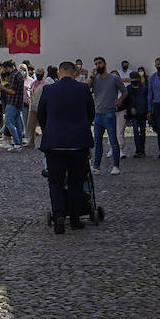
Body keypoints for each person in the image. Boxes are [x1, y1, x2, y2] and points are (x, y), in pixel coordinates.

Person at [37, 61, 95, 234]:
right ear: (74, 73)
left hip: (54, 144)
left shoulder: (49, 90)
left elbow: (41, 114)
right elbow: (91, 113)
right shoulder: (83, 89)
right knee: (76, 182)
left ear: (60, 74)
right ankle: (75, 218)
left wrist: (50, 130)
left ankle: (59, 215)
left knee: (55, 182)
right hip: (78, 143)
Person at [90, 57, 123, 176]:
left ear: (104, 64)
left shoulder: (114, 79)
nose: (98, 65)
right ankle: (96, 166)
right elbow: (86, 88)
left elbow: (125, 91)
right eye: (96, 64)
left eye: (99, 63)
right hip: (98, 113)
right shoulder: (95, 79)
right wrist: (91, 77)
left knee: (113, 141)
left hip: (109, 113)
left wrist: (120, 100)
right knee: (97, 141)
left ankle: (115, 166)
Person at [118, 68, 150, 158]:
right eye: (133, 79)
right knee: (135, 132)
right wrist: (131, 108)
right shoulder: (128, 89)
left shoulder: (144, 88)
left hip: (143, 113)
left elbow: (147, 100)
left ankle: (142, 150)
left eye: (136, 79)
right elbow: (127, 101)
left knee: (143, 132)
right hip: (134, 114)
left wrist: (149, 111)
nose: (134, 81)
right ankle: (137, 150)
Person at [0, 60, 27, 151]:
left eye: (4, 69)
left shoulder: (13, 76)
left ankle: (17, 142)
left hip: (12, 102)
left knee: (8, 122)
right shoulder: (19, 74)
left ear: (8, 68)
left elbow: (12, 91)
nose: (4, 71)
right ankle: (19, 142)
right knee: (17, 123)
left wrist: (3, 87)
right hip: (18, 103)